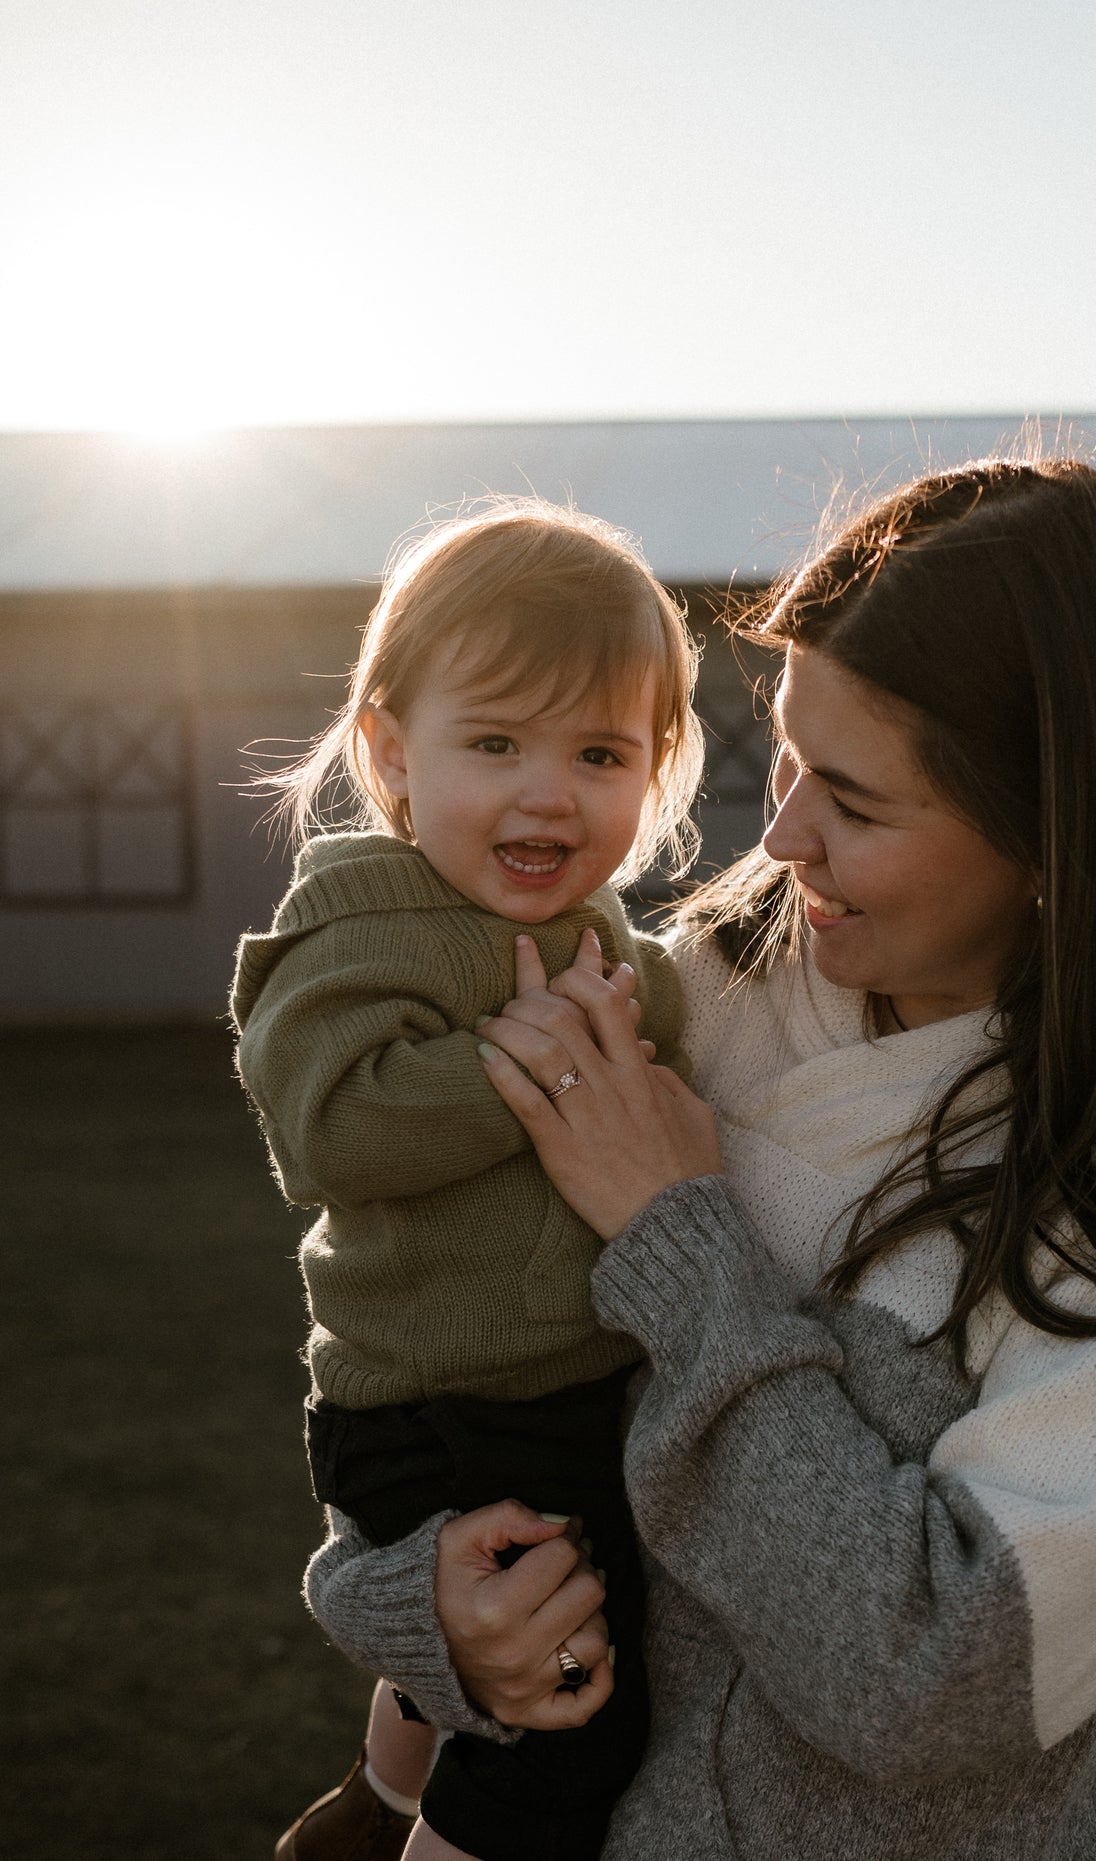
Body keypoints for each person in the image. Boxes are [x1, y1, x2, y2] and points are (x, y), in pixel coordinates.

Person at [302, 457, 1096, 1860]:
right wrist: (420, 1607)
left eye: (860, 805)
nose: (782, 834)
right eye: (793, 756)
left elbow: (935, 1676)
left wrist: (678, 1237)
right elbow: (419, 1325)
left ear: (1060, 833)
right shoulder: (711, 984)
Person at [231, 499, 703, 1861]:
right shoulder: (358, 916)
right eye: (494, 742)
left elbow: (662, 1007)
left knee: (532, 1642)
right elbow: (335, 1128)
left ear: (657, 765)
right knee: (571, 1718)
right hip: (437, 1403)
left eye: (600, 751)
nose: (548, 790)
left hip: (547, 1387)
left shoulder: (587, 927)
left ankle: (374, 1804)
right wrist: (530, 1065)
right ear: (389, 749)